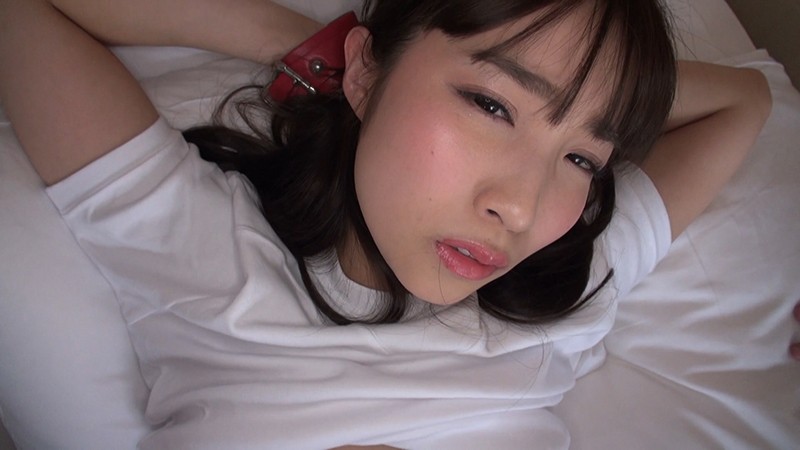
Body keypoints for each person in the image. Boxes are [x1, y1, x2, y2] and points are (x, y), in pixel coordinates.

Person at [0, 0, 779, 448]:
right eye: (492, 105)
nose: (520, 208)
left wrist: (604, 95)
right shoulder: (207, 255)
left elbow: (745, 100)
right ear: (369, 71)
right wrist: (319, 51)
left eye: (582, 158)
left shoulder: (561, 292)